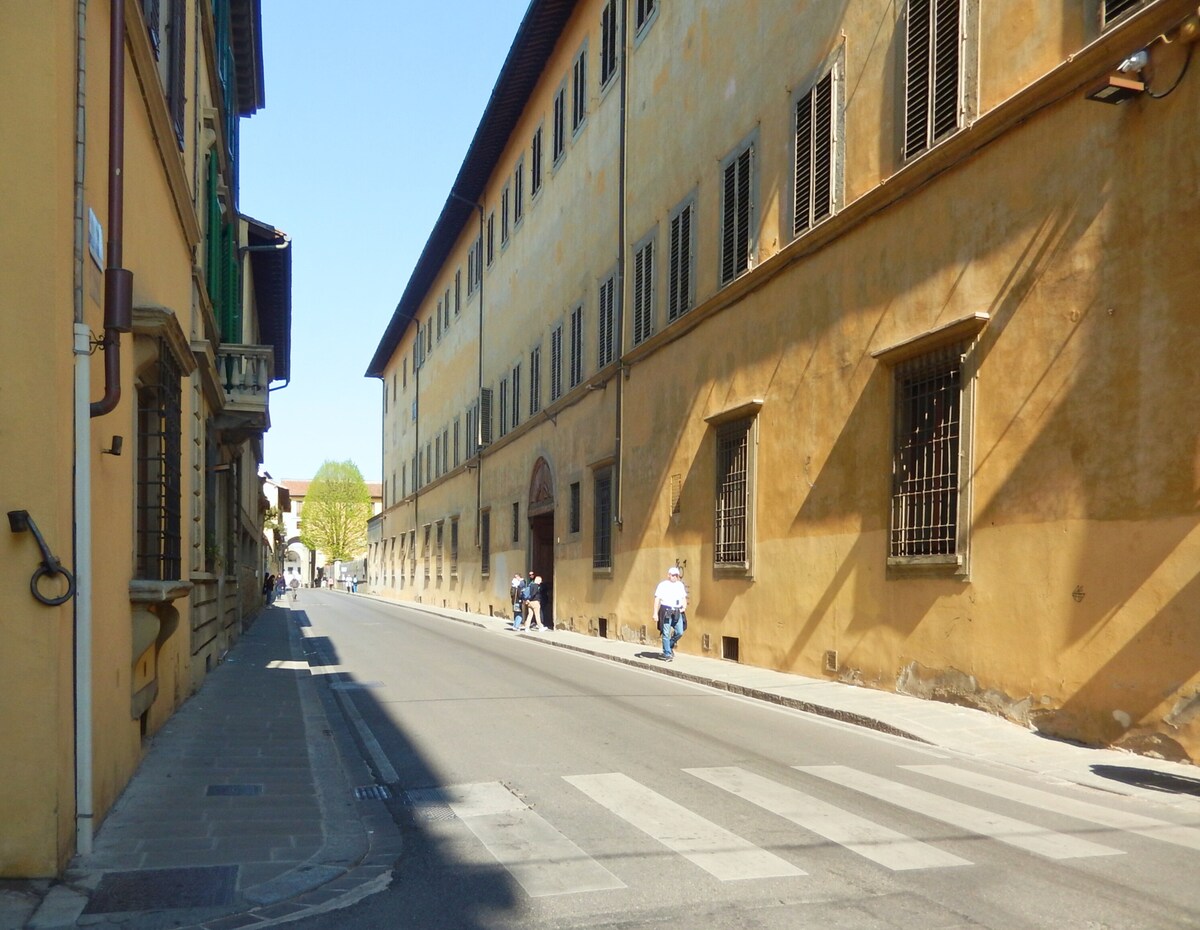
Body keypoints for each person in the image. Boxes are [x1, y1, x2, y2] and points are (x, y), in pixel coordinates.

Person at [653, 565, 687, 661]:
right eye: (673, 575)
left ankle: (669, 645)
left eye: (676, 575)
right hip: (666, 610)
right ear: (668, 575)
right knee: (666, 632)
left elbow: (683, 597)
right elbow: (657, 599)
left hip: (677, 610)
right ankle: (667, 653)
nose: (675, 577)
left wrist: (684, 607)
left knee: (679, 632)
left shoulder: (680, 585)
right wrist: (655, 613)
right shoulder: (662, 585)